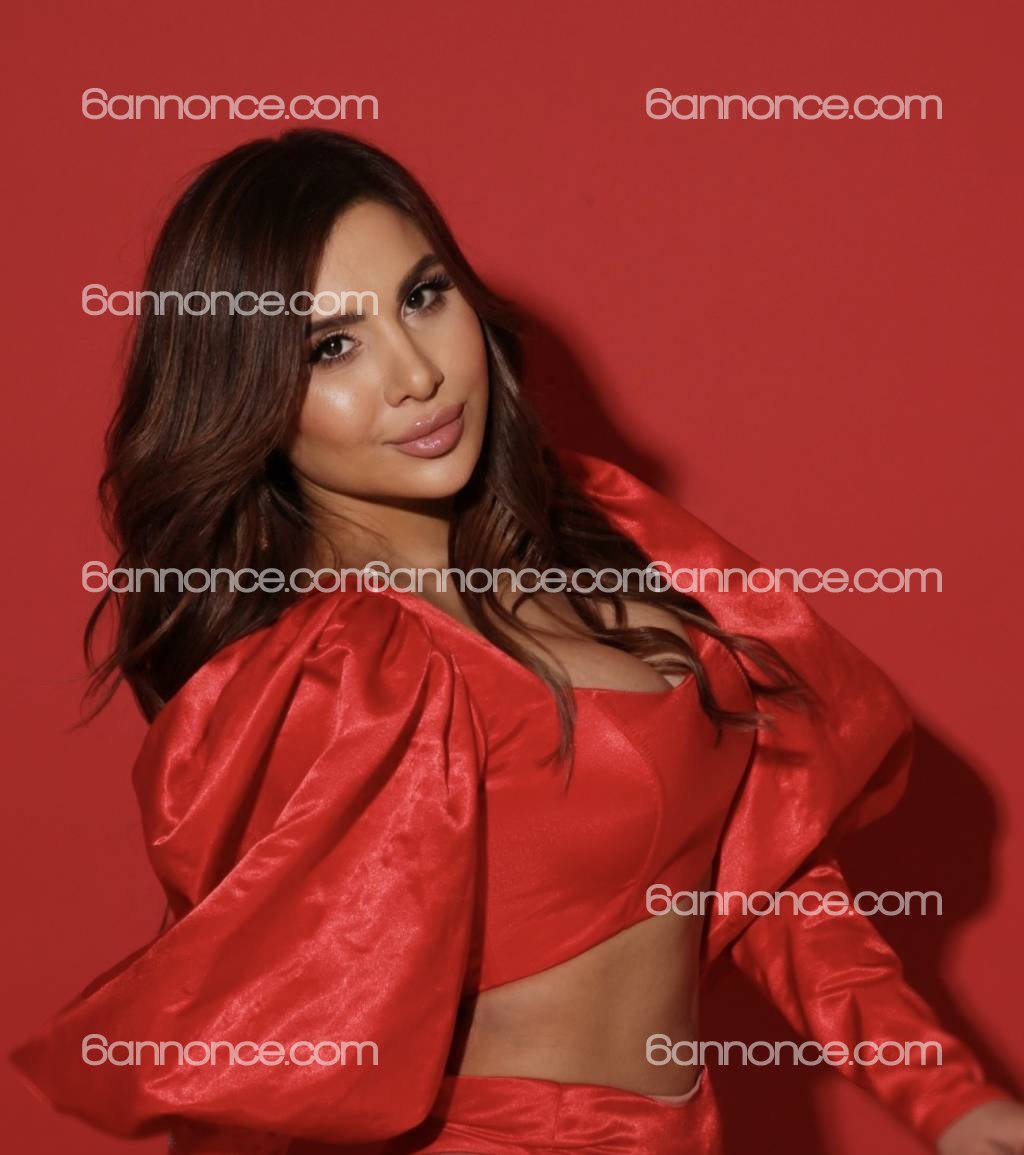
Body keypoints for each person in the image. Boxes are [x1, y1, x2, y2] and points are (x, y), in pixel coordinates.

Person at [10, 130, 1022, 1155]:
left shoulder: (604, 533)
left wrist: (948, 1098)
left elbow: (764, 870)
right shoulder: (331, 677)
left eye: (422, 296)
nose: (415, 374)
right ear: (246, 397)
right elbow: (273, 1047)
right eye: (330, 347)